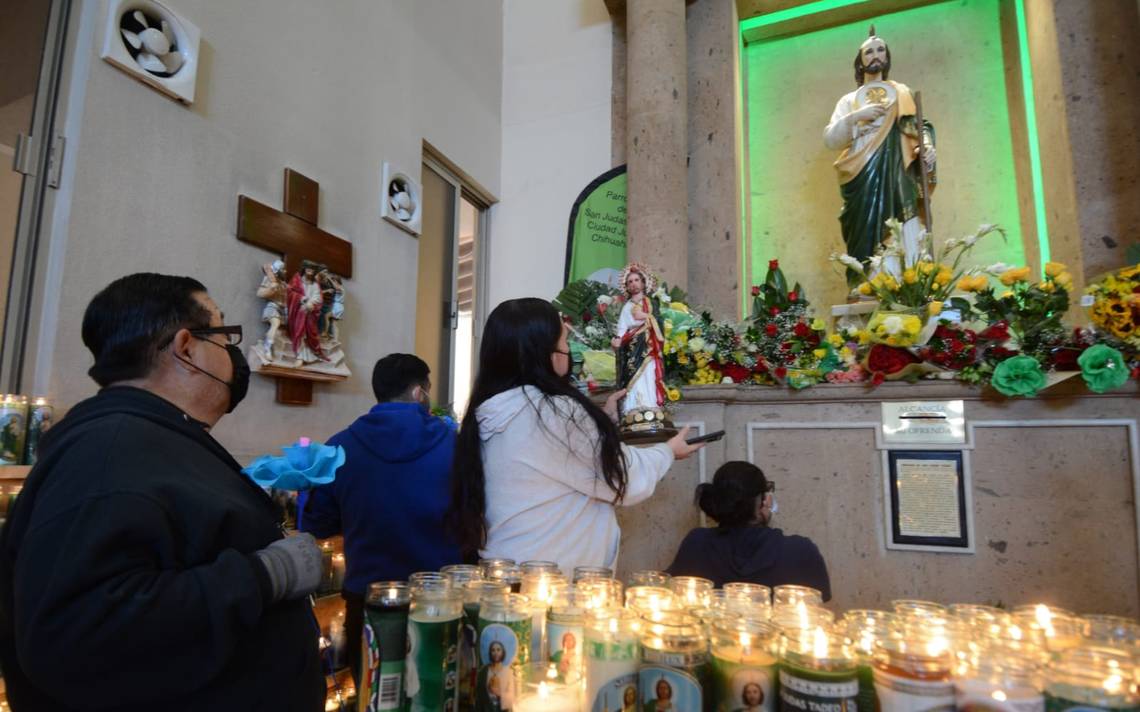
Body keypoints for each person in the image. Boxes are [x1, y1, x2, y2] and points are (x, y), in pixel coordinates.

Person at [0, 273, 325, 710]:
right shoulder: (106, 453)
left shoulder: (152, 440)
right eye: (225, 335)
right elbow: (76, 633)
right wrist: (265, 576)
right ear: (187, 347)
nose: (234, 354)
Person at [447, 298, 703, 576]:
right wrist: (667, 452)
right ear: (546, 351)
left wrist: (600, 421)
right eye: (565, 340)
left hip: (505, 572)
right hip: (550, 583)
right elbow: (624, 479)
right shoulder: (554, 414)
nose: (568, 350)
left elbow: (558, 459)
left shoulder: (487, 413)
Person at [301, 352, 459, 685]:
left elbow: (317, 524)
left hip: (370, 601)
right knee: (437, 693)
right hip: (440, 599)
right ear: (419, 392)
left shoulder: (341, 446)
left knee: (374, 696)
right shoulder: (454, 444)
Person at [824, 28, 936, 286]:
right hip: (861, 174)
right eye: (869, 51)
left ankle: (910, 283)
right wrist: (856, 117)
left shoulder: (902, 92)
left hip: (898, 170)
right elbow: (830, 139)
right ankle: (868, 283)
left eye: (881, 50)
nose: (876, 55)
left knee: (905, 220)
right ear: (860, 61)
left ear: (887, 57)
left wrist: (926, 145)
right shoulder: (850, 100)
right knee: (862, 233)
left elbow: (919, 126)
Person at [666, 461, 831, 599]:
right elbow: (818, 604)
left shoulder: (696, 543)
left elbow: (671, 589)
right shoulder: (800, 551)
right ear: (763, 502)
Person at [611, 263, 666, 422]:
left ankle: (650, 405)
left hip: (649, 345)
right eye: (630, 281)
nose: (634, 283)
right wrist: (617, 341)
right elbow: (622, 328)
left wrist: (647, 316)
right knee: (634, 377)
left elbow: (659, 322)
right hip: (632, 346)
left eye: (636, 280)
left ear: (643, 283)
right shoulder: (627, 306)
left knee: (649, 373)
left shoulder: (651, 303)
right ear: (627, 286)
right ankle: (634, 407)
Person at [287, 259, 325, 363]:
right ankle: (300, 354)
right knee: (302, 315)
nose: (310, 271)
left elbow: (318, 297)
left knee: (311, 327)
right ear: (304, 268)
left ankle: (312, 351)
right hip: (298, 309)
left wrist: (312, 303)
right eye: (308, 268)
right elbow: (290, 292)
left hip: (311, 311)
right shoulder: (297, 279)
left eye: (313, 269)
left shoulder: (315, 284)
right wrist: (302, 299)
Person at [256, 259, 287, 358]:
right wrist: (271, 289)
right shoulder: (269, 280)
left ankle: (270, 343)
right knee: (275, 324)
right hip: (272, 306)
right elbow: (260, 293)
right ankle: (267, 347)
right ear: (278, 271)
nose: (285, 271)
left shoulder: (283, 284)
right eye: (283, 269)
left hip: (282, 309)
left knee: (278, 330)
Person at [476, 639, 516, 711]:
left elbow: (512, 698)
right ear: (490, 653)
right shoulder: (483, 671)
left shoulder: (509, 672)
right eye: (493, 650)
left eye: (498, 650)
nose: (496, 653)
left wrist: (498, 693)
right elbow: (479, 697)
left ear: (502, 652)